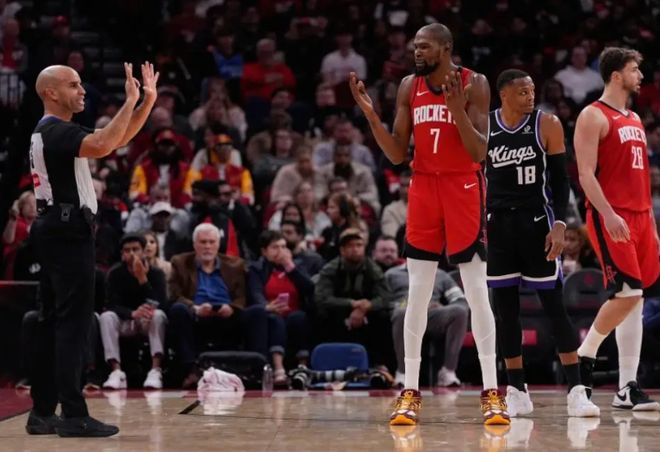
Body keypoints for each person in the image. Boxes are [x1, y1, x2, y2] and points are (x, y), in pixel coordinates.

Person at [350, 23, 508, 425]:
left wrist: (457, 112)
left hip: (463, 187)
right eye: (415, 47)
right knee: (416, 293)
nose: (416, 53)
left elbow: (480, 151)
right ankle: (410, 391)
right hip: (423, 187)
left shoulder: (475, 83)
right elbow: (396, 154)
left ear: (446, 48)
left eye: (424, 47)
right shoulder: (409, 86)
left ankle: (492, 392)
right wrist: (371, 115)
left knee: (476, 291)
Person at [27, 61, 158, 437]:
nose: (82, 90)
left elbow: (115, 139)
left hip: (55, 228)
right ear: (51, 93)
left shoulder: (51, 131)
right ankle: (73, 414)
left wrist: (145, 102)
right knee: (73, 324)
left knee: (51, 322)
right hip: (67, 232)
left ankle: (42, 412)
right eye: (73, 84)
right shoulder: (56, 130)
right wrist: (129, 101)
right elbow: (103, 144)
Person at [485, 69, 599, 417]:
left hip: (537, 224)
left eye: (532, 90)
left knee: (554, 307)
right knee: (506, 314)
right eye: (522, 92)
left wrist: (560, 223)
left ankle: (577, 389)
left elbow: (561, 180)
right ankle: (517, 389)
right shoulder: (485, 126)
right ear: (504, 95)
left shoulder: (547, 123)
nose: (530, 96)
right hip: (498, 226)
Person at [574, 47, 660, 411]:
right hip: (611, 214)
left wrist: (651, 225)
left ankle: (627, 386)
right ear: (615, 75)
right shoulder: (592, 115)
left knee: (636, 299)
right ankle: (584, 357)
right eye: (634, 69)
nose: (640, 76)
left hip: (641, 217)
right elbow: (585, 174)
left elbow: (640, 179)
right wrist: (607, 213)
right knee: (627, 293)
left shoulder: (636, 118)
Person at [168, 223, 248, 388]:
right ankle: (190, 370)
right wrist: (194, 308)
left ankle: (253, 370)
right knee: (178, 310)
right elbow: (174, 295)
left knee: (256, 313)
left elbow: (242, 296)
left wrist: (232, 308)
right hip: (196, 315)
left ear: (218, 244)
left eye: (212, 242)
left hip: (227, 316)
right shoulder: (180, 262)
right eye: (203, 242)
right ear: (194, 244)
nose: (207, 246)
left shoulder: (235, 265)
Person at [100, 233, 168, 390]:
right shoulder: (115, 274)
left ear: (144, 251)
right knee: (106, 317)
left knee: (158, 315)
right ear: (122, 254)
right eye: (127, 250)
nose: (131, 253)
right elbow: (110, 305)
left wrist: (142, 279)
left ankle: (155, 370)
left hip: (147, 320)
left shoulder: (156, 273)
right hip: (125, 320)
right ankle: (116, 372)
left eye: (135, 249)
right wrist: (132, 313)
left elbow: (161, 304)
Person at [246, 231, 314, 384]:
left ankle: (302, 368)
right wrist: (266, 306)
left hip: (293, 312)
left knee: (299, 318)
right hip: (270, 312)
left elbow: (310, 289)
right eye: (275, 247)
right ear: (264, 251)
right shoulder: (256, 269)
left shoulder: (297, 266)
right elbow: (255, 292)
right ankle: (278, 368)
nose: (280, 251)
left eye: (283, 247)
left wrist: (290, 267)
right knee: (276, 320)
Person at [386, 263, 469, 388]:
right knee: (402, 313)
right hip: (404, 311)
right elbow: (383, 300)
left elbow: (460, 300)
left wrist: (442, 307)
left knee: (459, 311)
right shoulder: (392, 274)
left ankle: (448, 371)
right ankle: (403, 372)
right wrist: (408, 306)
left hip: (432, 314)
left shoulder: (441, 275)